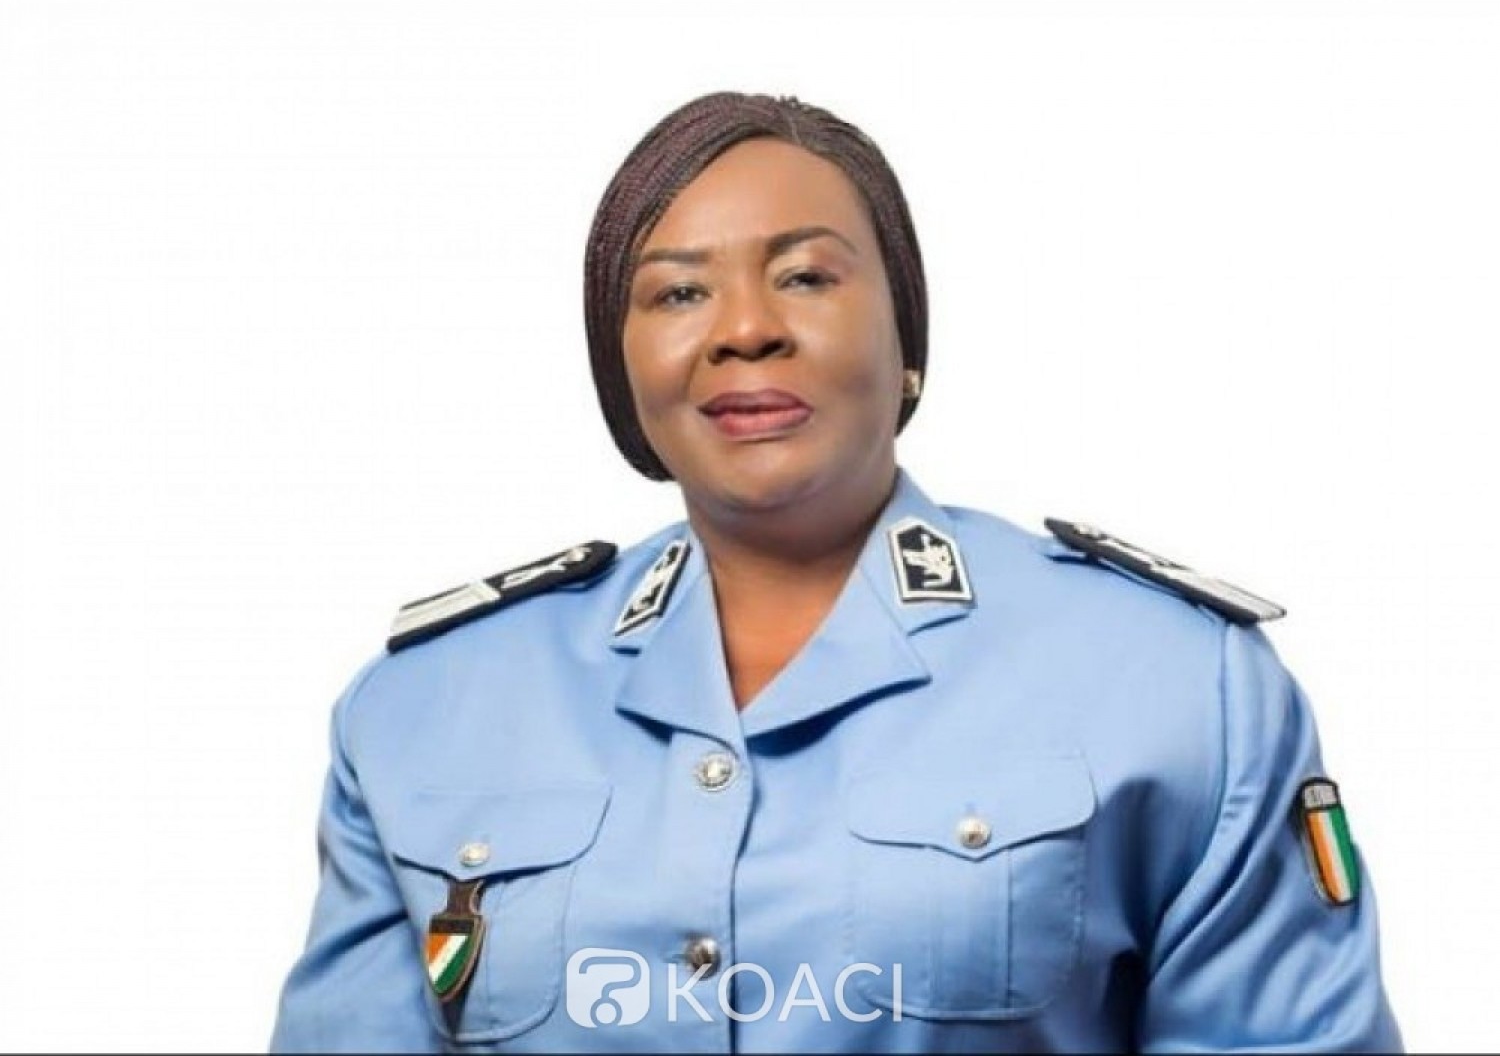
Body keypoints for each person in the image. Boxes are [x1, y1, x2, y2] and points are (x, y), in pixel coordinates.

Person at [270, 91, 1402, 1052]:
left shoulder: (1179, 685)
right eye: (677, 292)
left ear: (906, 338)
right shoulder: (424, 709)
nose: (745, 329)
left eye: (806, 277)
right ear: (621, 370)